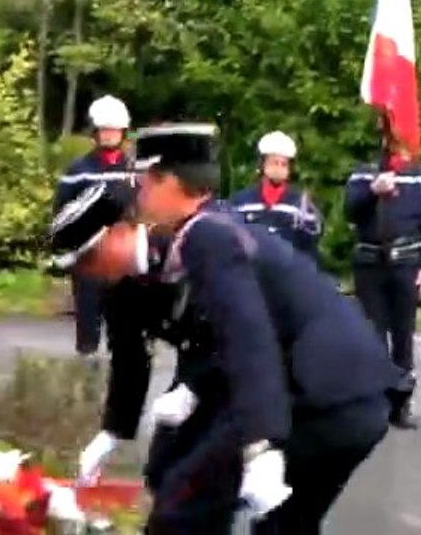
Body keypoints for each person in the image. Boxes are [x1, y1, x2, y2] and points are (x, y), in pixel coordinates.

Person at [49, 178, 293, 534]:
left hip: (250, 371)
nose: (90, 274)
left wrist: (194, 387)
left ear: (115, 235)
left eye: (89, 260)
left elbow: (244, 330)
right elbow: (130, 357)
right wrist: (113, 433)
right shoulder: (118, 286)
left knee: (191, 490)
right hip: (200, 369)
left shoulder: (190, 244)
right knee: (161, 470)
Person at [344, 119, 421, 429]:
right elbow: (351, 212)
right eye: (395, 138)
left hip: (406, 264)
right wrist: (372, 192)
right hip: (370, 263)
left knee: (403, 337)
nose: (400, 144)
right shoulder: (364, 172)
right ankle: (374, 401)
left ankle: (401, 403)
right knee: (372, 336)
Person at [53, 95, 136, 356]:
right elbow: (62, 212)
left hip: (126, 260)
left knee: (126, 331)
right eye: (104, 130)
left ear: (123, 132)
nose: (109, 135)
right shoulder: (78, 170)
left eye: (114, 130)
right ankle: (86, 384)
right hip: (88, 258)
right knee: (88, 331)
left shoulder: (136, 169)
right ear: (95, 132)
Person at [230, 130, 323, 261]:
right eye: (274, 162)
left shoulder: (302, 205)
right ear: (262, 164)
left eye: (283, 164)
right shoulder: (242, 202)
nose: (279, 168)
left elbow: (310, 251)